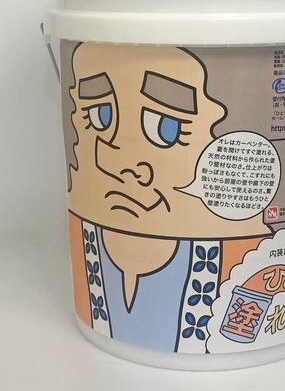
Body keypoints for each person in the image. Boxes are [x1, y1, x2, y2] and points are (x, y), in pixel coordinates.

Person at [60, 42, 271, 353]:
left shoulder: (244, 256)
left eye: (166, 128)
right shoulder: (86, 236)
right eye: (100, 116)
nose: (122, 162)